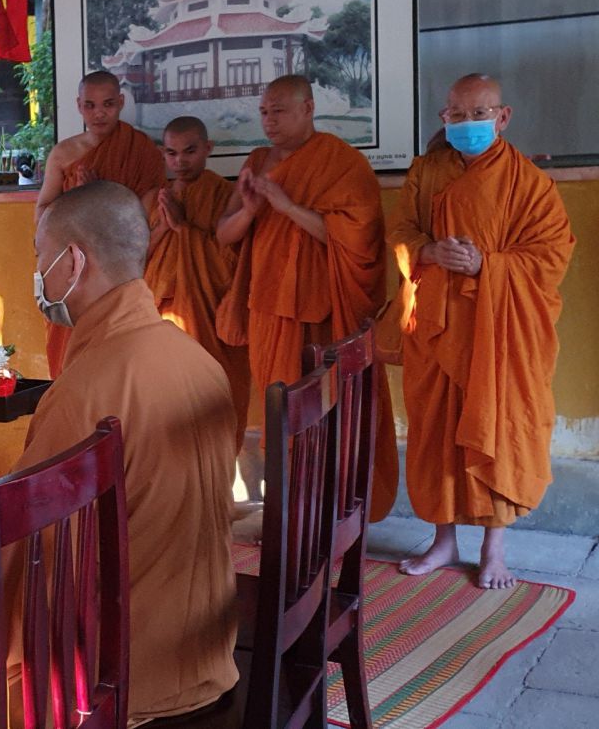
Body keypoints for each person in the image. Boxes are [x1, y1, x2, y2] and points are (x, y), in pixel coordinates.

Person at [24, 180, 238, 722]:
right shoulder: (201, 362)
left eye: (41, 257)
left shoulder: (84, 392)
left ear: (74, 262)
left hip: (122, 676)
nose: (38, 273)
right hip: (210, 649)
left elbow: (34, 553)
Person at [390, 74, 574, 589]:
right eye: (458, 114)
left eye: (480, 114)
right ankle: (443, 541)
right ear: (444, 117)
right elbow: (400, 231)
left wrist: (485, 267)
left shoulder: (530, 184)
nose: (468, 123)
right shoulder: (426, 172)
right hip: (436, 327)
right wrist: (429, 251)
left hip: (501, 332)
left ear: (503, 117)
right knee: (436, 434)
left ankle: (494, 549)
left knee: (498, 428)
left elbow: (550, 257)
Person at [214, 74, 398, 520]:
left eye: (279, 111)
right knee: (279, 412)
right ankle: (290, 512)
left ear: (309, 108)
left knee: (325, 411)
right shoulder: (258, 161)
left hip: (322, 313)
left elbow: (355, 242)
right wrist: (252, 211)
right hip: (268, 308)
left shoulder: (343, 164)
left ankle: (330, 513)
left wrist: (287, 206)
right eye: (264, 112)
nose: (269, 121)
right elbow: (223, 234)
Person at [36, 71, 166, 377]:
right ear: (79, 106)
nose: (99, 113)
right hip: (71, 268)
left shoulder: (141, 152)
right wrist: (79, 201)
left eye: (108, 104)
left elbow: (140, 222)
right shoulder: (63, 154)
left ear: (120, 103)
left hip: (120, 269)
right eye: (90, 105)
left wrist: (94, 196)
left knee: (120, 356)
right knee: (70, 355)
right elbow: (43, 210)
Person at [142, 117, 251, 460]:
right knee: (166, 406)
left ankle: (215, 479)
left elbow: (233, 264)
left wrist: (184, 229)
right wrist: (165, 228)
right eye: (171, 153)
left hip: (209, 318)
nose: (180, 161)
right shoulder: (154, 199)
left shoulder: (225, 196)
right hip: (162, 318)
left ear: (208, 149)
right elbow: (134, 258)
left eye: (189, 151)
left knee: (213, 403)